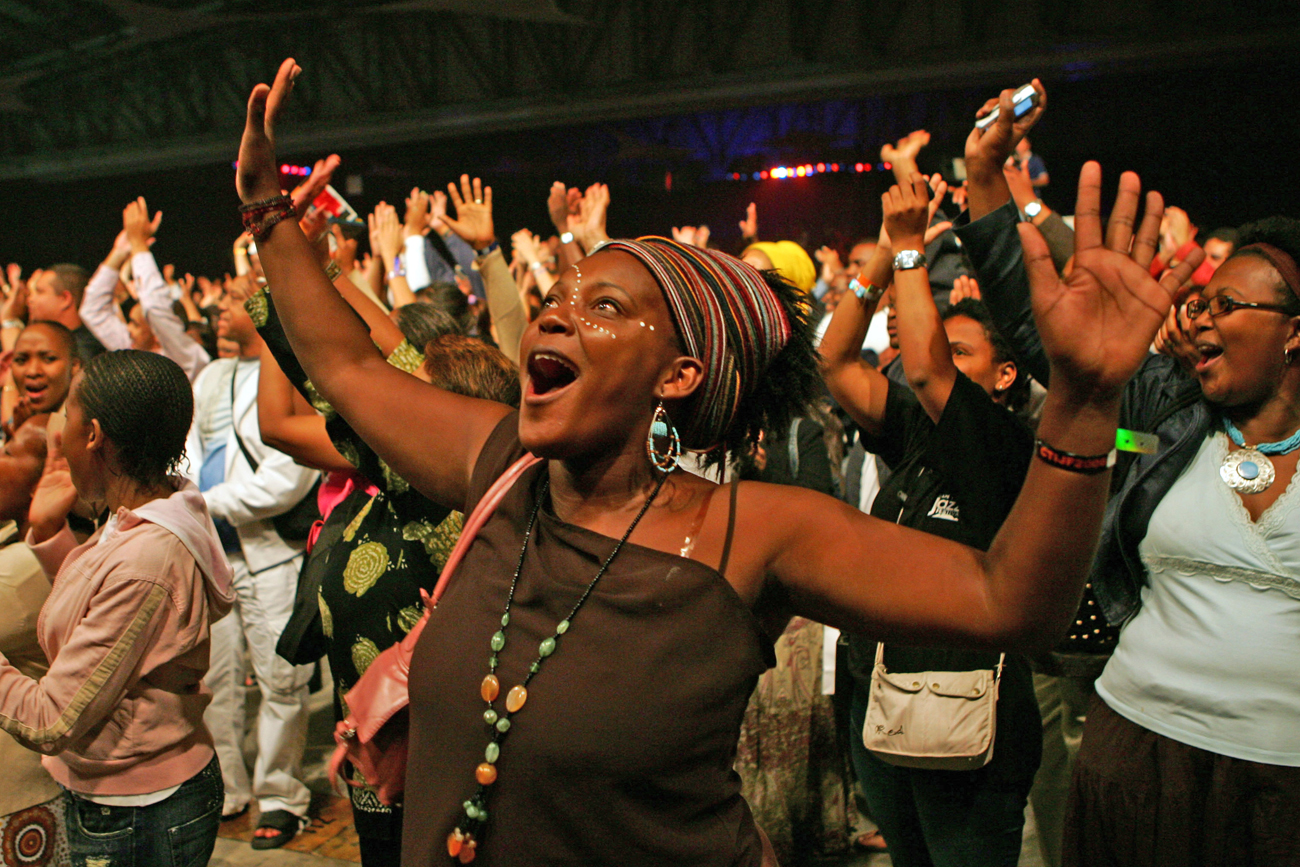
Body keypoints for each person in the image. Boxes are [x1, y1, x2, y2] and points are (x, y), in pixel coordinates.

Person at [237, 58, 1194, 867]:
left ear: (679, 373)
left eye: (607, 306)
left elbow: (1007, 601)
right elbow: (345, 363)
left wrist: (1083, 401)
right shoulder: (502, 469)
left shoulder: (752, 530)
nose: (562, 310)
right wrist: (268, 209)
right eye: (565, 297)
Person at [955, 81, 1299, 867]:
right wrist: (984, 175)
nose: (1198, 316)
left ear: (1293, 333)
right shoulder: (1166, 408)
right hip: (1137, 749)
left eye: (1228, 304)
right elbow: (1052, 336)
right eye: (1199, 302)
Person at [822, 176, 1039, 867]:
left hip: (968, 716)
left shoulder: (1009, 446)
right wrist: (887, 252)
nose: (941, 358)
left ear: (1005, 375)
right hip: (886, 704)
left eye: (962, 350)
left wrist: (915, 246)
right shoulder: (917, 430)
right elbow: (833, 360)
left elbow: (925, 370)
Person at [0, 350, 232, 867]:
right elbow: (113, 620)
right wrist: (48, 534)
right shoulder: (149, 510)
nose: (58, 433)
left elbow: (52, 718)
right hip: (128, 797)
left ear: (94, 434)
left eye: (66, 418)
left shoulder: (147, 554)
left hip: (137, 813)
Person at [186, 274, 320, 848]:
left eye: (237, 297)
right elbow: (188, 448)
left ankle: (281, 795)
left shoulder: (297, 372)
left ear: (267, 306)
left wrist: (198, 504)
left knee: (281, 682)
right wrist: (190, 498)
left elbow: (288, 479)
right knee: (214, 681)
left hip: (267, 553)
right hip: (214, 552)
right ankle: (228, 788)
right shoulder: (212, 374)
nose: (220, 307)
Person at [25, 265, 105, 363]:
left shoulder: (82, 350)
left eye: (40, 292)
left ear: (65, 299)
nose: (30, 299)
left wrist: (9, 320)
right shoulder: (60, 342)